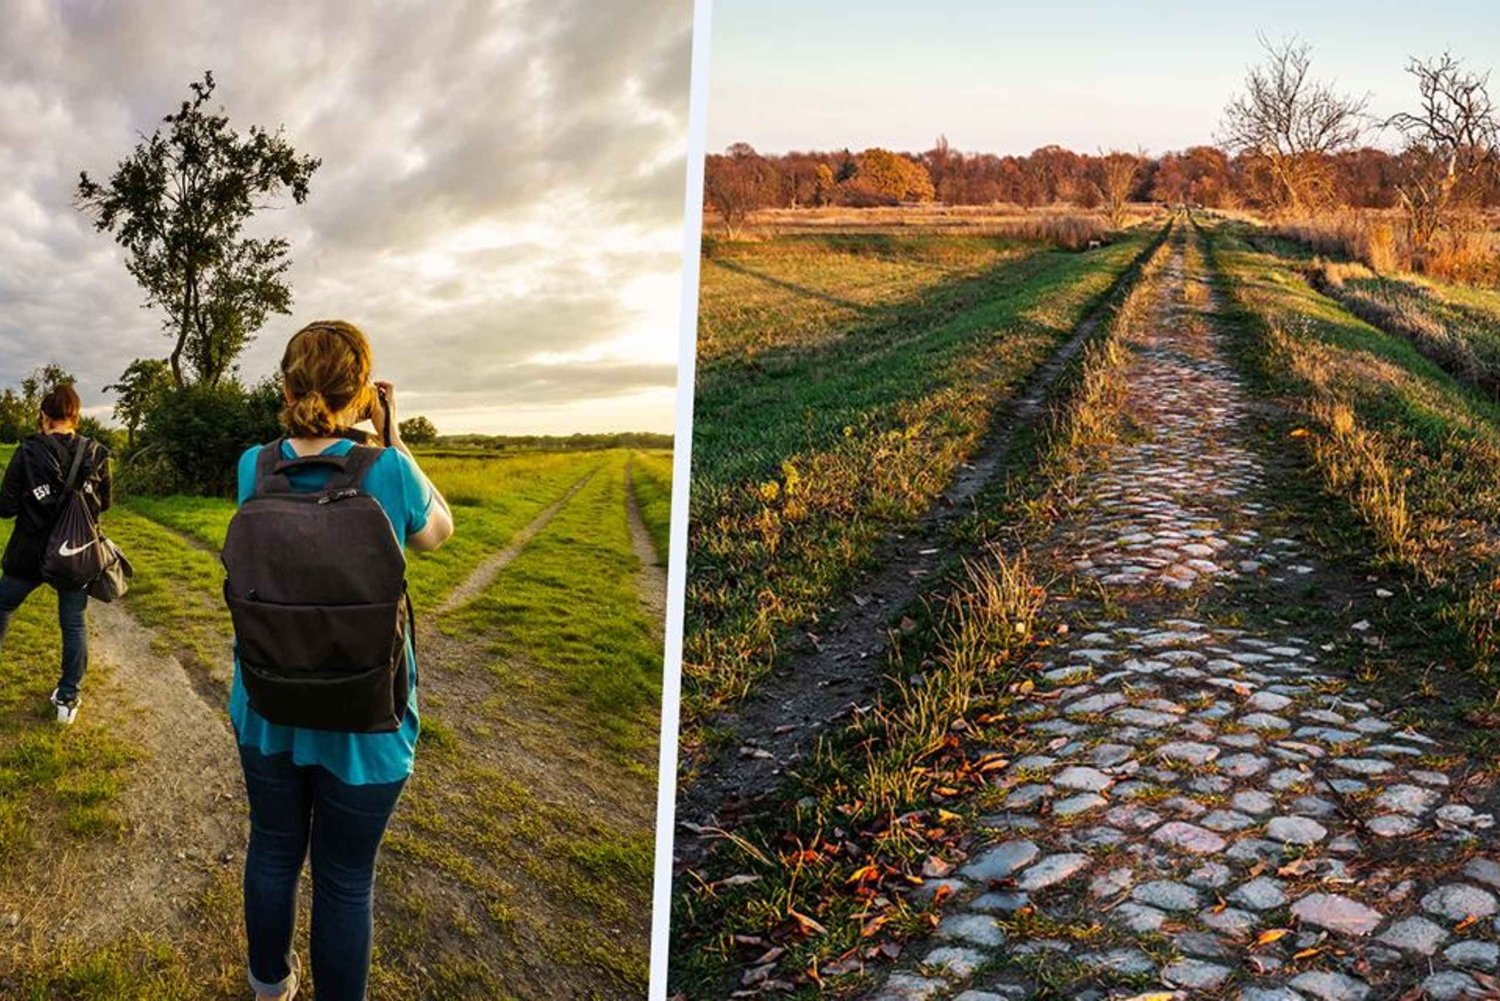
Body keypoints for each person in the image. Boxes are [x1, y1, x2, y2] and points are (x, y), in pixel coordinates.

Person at [230, 321, 454, 1001]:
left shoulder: (254, 464)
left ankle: (268, 984)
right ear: (362, 392)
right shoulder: (385, 469)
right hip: (367, 714)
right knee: (346, 877)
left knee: (272, 847)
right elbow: (438, 532)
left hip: (268, 702)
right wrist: (393, 436)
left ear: (287, 382)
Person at [0, 384, 111, 725]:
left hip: (29, 554)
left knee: (2, 605)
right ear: (75, 417)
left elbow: (5, 508)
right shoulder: (97, 454)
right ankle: (67, 698)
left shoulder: (27, 452)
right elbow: (103, 505)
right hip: (74, 554)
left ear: (44, 417)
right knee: (73, 622)